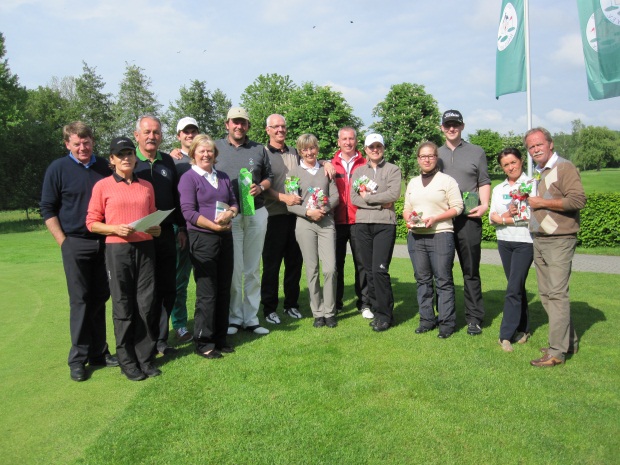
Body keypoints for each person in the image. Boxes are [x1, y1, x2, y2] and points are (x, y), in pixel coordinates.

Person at [40, 121, 118, 382]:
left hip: (104, 241)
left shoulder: (105, 167)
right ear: (67, 145)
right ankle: (78, 358)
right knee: (80, 301)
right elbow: (48, 209)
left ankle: (99, 353)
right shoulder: (58, 169)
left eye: (86, 142)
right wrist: (64, 242)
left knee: (100, 297)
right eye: (77, 143)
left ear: (92, 141)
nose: (83, 147)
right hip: (75, 242)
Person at [86, 137, 162, 381]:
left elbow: (152, 217)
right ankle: (127, 360)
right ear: (112, 160)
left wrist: (156, 229)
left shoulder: (146, 186)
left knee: (146, 304)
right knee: (122, 305)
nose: (126, 158)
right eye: (120, 154)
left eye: (129, 153)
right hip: (118, 250)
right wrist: (113, 229)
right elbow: (91, 223)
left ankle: (145, 358)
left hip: (145, 249)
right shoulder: (102, 186)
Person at [520, 128, 586, 367]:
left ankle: (557, 352)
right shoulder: (538, 173)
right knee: (547, 295)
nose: (535, 149)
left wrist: (543, 202)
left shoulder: (564, 168)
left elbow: (578, 200)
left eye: (539, 144)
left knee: (557, 295)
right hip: (540, 238)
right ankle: (568, 341)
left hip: (559, 239)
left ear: (550, 144)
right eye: (531, 147)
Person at [178, 134, 239, 359]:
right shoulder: (188, 178)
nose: (206, 154)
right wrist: (214, 226)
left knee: (224, 288)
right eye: (201, 151)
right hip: (202, 238)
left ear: (215, 154)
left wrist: (230, 213)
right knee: (207, 291)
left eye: (210, 151)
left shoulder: (222, 176)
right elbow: (189, 212)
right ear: (193, 153)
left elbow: (234, 202)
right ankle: (204, 342)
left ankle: (220, 338)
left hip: (225, 236)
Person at [215, 107, 273, 335]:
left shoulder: (259, 149)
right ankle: (234, 318)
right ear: (227, 124)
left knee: (252, 269)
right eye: (235, 122)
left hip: (256, 212)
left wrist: (261, 187)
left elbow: (270, 177)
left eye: (243, 122)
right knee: (234, 269)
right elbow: (198, 159)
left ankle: (251, 318)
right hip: (231, 215)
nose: (239, 126)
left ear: (248, 126)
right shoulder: (217, 147)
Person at [133, 114, 187, 356]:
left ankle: (162, 341)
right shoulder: (129, 160)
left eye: (156, 132)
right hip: (138, 236)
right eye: (147, 132)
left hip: (165, 233)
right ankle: (144, 339)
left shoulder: (167, 161)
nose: (152, 136)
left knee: (168, 287)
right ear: (137, 136)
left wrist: (182, 228)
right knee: (144, 290)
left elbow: (176, 198)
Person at [437, 110, 491, 336]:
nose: (452, 128)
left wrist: (485, 204)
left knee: (470, 270)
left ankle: (474, 318)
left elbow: (484, 181)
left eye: (455, 125)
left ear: (462, 126)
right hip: (443, 221)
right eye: (448, 125)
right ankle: (446, 316)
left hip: (468, 218)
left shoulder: (476, 152)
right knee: (442, 271)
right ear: (442, 127)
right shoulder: (435, 154)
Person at [404, 142, 463, 339]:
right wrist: (408, 219)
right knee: (422, 280)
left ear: (436, 157)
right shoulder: (412, 182)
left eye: (430, 156)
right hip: (417, 237)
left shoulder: (447, 181)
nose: (427, 159)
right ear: (418, 159)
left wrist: (436, 218)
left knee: (443, 280)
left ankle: (446, 323)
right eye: (423, 156)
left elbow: (458, 207)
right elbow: (406, 208)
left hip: (441, 235)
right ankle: (427, 320)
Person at [287, 134, 339, 328]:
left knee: (330, 269)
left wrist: (323, 210)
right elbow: (291, 205)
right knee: (312, 270)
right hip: (304, 224)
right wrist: (309, 212)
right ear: (300, 151)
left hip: (326, 222)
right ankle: (318, 313)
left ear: (317, 148)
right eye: (304, 149)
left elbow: (335, 197)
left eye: (312, 148)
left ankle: (330, 311)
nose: (309, 152)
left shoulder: (327, 170)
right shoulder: (293, 174)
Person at [350, 134, 402, 332]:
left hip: (384, 225)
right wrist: (380, 202)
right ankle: (376, 309)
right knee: (369, 271)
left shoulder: (393, 170)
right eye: (371, 146)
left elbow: (393, 194)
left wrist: (370, 199)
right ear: (365, 149)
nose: (375, 149)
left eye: (378, 146)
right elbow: (354, 198)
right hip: (362, 225)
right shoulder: (358, 172)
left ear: (383, 148)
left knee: (380, 270)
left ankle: (385, 315)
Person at [489, 148, 534, 352]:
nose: (510, 167)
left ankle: (505, 335)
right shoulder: (499, 189)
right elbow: (492, 217)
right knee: (517, 286)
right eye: (506, 165)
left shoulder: (532, 185)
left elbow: (531, 217)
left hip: (525, 242)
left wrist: (504, 219)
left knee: (513, 288)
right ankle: (523, 328)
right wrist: (507, 216)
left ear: (521, 161)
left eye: (513, 162)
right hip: (504, 241)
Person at [260, 114, 304, 325]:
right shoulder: (262, 153)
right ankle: (269, 308)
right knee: (271, 265)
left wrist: (326, 162)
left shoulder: (295, 152)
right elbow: (262, 187)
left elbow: (311, 162)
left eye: (283, 126)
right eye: (275, 127)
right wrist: (283, 197)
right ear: (267, 130)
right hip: (273, 217)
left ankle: (291, 305)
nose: (280, 130)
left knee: (294, 263)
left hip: (296, 217)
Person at [331, 127, 371, 318]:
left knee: (362, 264)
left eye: (351, 139)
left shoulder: (366, 163)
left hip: (359, 220)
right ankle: (336, 303)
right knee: (336, 264)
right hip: (336, 221)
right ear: (338, 142)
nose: (348, 142)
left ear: (356, 141)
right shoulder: (330, 164)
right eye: (344, 139)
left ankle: (364, 303)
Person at [169, 117, 199, 344]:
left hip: (205, 228)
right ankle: (179, 324)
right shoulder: (173, 162)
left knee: (207, 278)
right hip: (182, 229)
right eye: (185, 132)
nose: (189, 135)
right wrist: (179, 226)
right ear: (178, 135)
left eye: (193, 131)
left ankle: (204, 321)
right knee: (180, 281)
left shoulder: (206, 157)